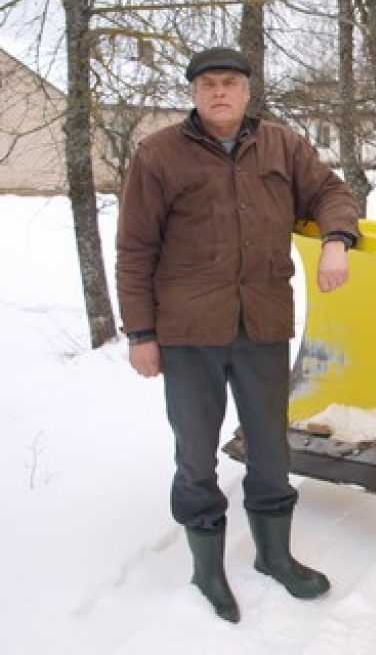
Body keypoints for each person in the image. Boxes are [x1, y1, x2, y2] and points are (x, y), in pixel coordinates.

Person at [115, 47, 361, 623]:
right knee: (196, 454)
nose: (219, 92)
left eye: (230, 83)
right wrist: (141, 332)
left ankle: (274, 556)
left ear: (248, 92)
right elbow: (135, 250)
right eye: (208, 85)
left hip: (263, 324)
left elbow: (331, 192)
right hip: (188, 331)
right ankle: (207, 569)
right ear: (194, 94)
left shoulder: (282, 145)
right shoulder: (158, 155)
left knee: (271, 448)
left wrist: (336, 240)